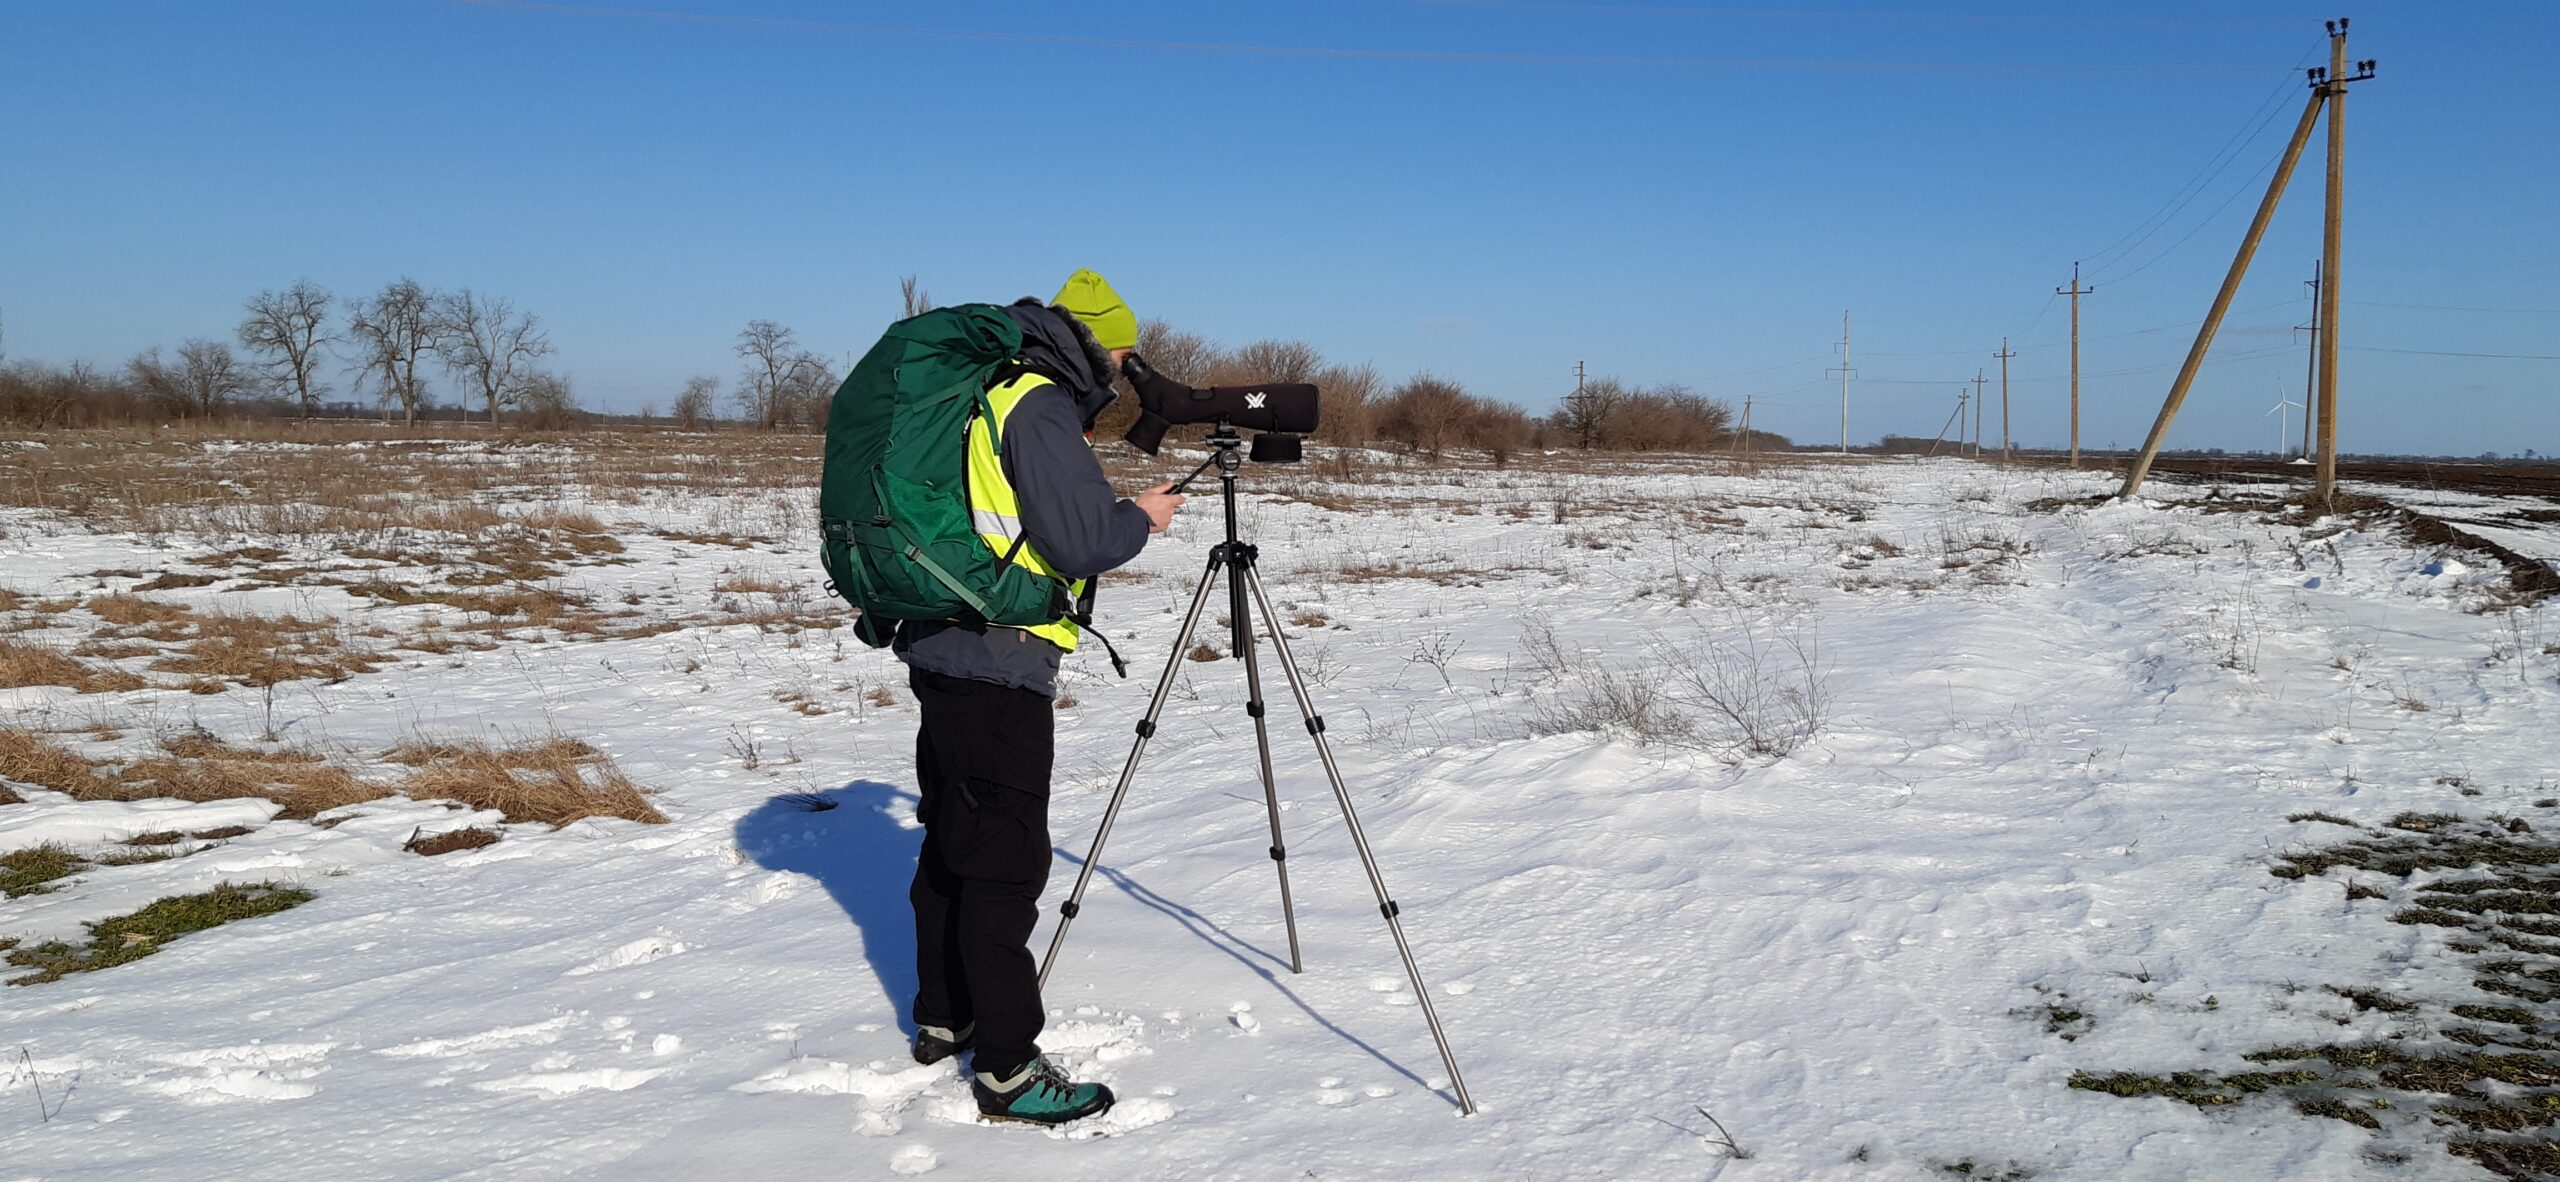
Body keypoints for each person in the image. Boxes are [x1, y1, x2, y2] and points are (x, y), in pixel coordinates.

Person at [893, 269, 1184, 1126]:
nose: (1126, 371)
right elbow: (1081, 537)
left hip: (942, 644)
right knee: (1006, 863)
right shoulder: (1035, 399)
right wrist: (1143, 516)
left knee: (954, 838)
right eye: (1122, 353)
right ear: (1090, 341)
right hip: (999, 658)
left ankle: (946, 1016)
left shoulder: (982, 386)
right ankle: (1010, 1071)